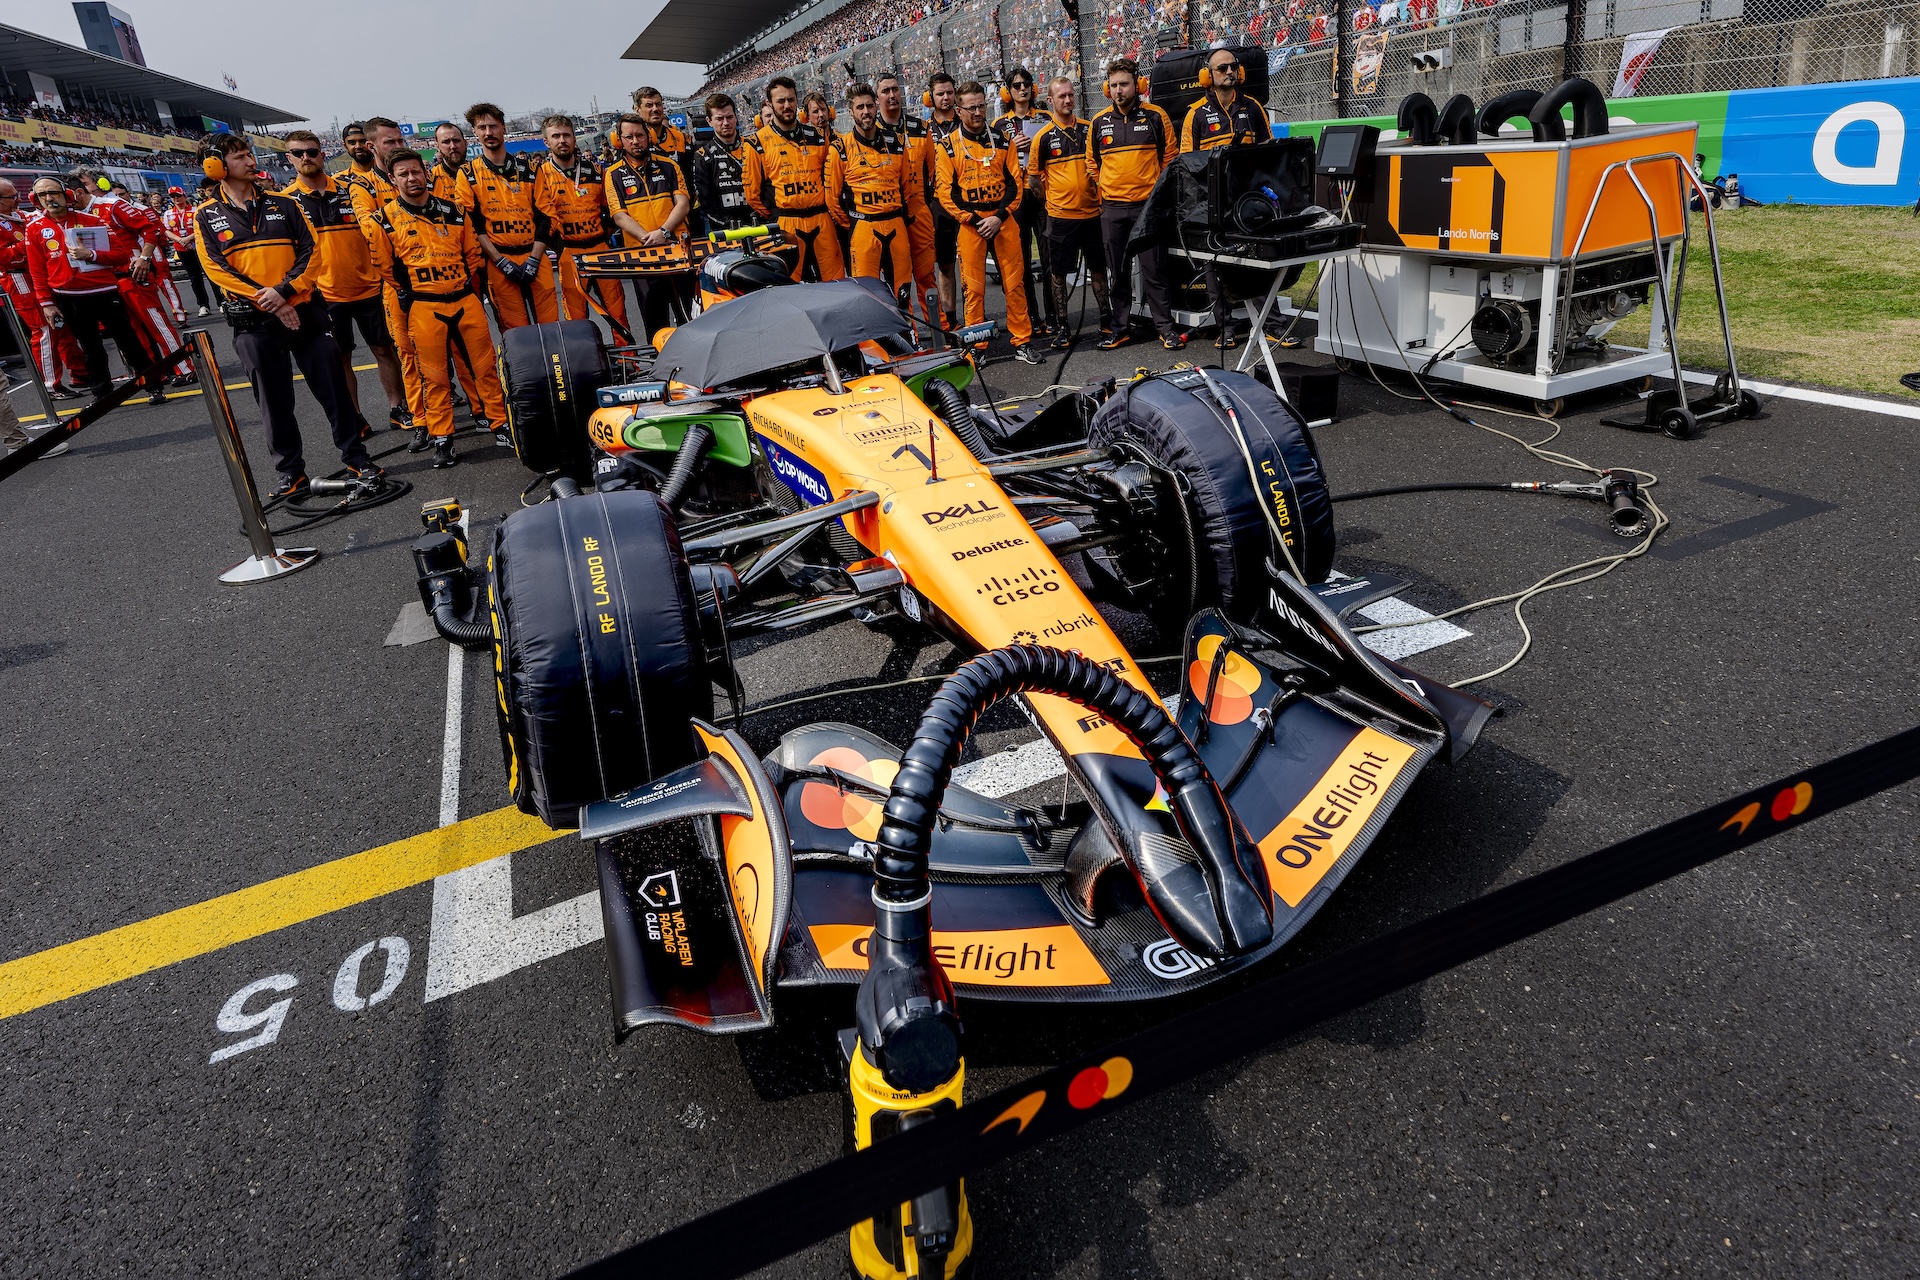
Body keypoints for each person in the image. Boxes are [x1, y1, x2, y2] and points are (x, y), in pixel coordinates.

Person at [191, 135, 378, 496]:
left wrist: (285, 293)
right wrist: (270, 301)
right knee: (273, 402)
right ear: (215, 166)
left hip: (304, 311)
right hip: (253, 323)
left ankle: (357, 458)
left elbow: (313, 253)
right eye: (240, 156)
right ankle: (290, 472)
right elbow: (216, 270)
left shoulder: (285, 203)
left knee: (334, 390)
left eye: (248, 154)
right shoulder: (204, 215)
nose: (250, 161)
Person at [364, 149, 507, 470]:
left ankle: (500, 423)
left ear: (425, 173)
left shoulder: (455, 211)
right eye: (403, 174)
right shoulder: (383, 220)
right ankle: (442, 436)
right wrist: (418, 289)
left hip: (463, 299)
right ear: (392, 179)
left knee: (485, 367)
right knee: (435, 378)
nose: (412, 178)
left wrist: (453, 282)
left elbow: (472, 254)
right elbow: (384, 266)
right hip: (423, 307)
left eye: (416, 172)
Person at [279, 128, 408, 440]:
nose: (306, 157)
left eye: (312, 151)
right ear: (289, 159)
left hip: (369, 287)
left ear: (323, 153)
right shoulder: (285, 202)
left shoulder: (351, 189)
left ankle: (398, 408)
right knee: (341, 359)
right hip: (324, 295)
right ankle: (355, 417)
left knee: (385, 350)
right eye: (299, 153)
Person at [21, 177, 166, 405]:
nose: (49, 198)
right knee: (90, 348)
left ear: (66, 194)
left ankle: (153, 385)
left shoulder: (93, 220)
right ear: (36, 199)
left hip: (104, 291)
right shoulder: (34, 228)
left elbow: (120, 255)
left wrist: (92, 255)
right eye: (42, 195)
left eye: (53, 192)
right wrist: (46, 304)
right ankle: (102, 394)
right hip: (68, 297)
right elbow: (37, 270)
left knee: (129, 341)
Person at [936, 82, 1042, 364]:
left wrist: (998, 217)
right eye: (971, 108)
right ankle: (977, 347)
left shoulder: (1002, 139)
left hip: (1002, 220)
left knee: (1015, 283)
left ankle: (1022, 341)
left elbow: (1015, 184)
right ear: (958, 110)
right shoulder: (947, 147)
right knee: (973, 288)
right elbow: (946, 193)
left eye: (981, 106)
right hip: (971, 224)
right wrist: (973, 219)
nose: (977, 112)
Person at [1179, 46, 1275, 349]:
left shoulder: (1253, 107)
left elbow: (1267, 151)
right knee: (1214, 266)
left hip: (1247, 202)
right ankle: (1226, 327)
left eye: (1233, 67)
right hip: (1212, 204)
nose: (1230, 72)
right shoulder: (1195, 115)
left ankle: (1273, 325)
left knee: (1258, 262)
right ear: (1208, 75)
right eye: (1222, 68)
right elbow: (1186, 164)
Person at [1088, 58, 1181, 350]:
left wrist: (1157, 195)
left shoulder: (1156, 116)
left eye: (1124, 84)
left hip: (1147, 209)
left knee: (1156, 270)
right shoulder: (1099, 122)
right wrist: (1105, 185)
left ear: (1138, 85)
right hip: (1112, 208)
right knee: (1119, 273)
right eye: (1114, 85)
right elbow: (1092, 162)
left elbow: (1170, 160)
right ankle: (1120, 328)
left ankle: (1165, 328)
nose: (1118, 90)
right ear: (1107, 88)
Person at [69, 170, 191, 389]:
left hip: (133, 274)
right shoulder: (76, 217)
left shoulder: (112, 205)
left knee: (155, 322)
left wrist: (144, 258)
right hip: (106, 281)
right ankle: (152, 373)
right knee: (130, 333)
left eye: (85, 184)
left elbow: (150, 229)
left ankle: (184, 367)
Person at [342, 117, 423, 435]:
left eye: (400, 141)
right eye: (390, 142)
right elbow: (370, 228)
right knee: (404, 350)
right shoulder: (357, 185)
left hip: (427, 274)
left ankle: (435, 405)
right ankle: (416, 416)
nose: (398, 147)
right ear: (371, 146)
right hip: (388, 280)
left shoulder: (411, 173)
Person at [456, 102, 558, 330]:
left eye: (493, 126)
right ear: (474, 132)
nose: (488, 133)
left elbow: (546, 216)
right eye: (482, 127)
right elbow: (472, 225)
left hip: (535, 257)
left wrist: (534, 259)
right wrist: (501, 262)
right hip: (499, 262)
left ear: (503, 128)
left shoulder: (531, 169)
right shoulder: (467, 173)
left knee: (552, 328)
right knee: (516, 334)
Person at [1029, 76, 1111, 349]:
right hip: (1061, 218)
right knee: (1058, 274)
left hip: (1092, 215)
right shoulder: (1041, 138)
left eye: (1070, 95)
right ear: (1050, 101)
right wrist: (1054, 201)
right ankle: (1062, 326)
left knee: (1099, 270)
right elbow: (1034, 180)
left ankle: (1106, 320)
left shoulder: (1090, 129)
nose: (1067, 100)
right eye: (1061, 96)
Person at [533, 114, 631, 336]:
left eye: (566, 135)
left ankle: (629, 362)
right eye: (555, 136)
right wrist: (559, 247)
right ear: (546, 142)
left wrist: (603, 235)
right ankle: (583, 366)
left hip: (600, 249)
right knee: (575, 321)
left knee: (618, 312)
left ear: (574, 138)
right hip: (568, 252)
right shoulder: (540, 175)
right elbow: (541, 218)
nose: (562, 140)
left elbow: (611, 209)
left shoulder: (596, 171)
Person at [742, 77, 845, 283]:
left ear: (797, 101)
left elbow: (832, 180)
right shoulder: (756, 142)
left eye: (791, 99)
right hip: (785, 223)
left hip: (821, 219)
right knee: (789, 287)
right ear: (770, 104)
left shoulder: (817, 136)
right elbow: (753, 195)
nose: (787, 105)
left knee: (837, 284)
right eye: (780, 101)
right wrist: (777, 214)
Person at [605, 113, 692, 344]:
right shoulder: (612, 174)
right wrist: (648, 238)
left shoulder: (669, 165)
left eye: (640, 135)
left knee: (690, 319)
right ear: (619, 140)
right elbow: (619, 216)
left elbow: (683, 204)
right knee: (655, 324)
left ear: (649, 136)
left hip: (677, 251)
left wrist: (663, 232)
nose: (636, 141)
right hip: (642, 256)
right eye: (629, 136)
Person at [0, 177, 90, 396]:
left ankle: (80, 374)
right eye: (12, 197)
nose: (18, 199)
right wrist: (29, 242)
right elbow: (4, 257)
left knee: (61, 325)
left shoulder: (21, 215)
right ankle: (51, 386)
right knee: (44, 331)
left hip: (40, 276)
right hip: (19, 279)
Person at [827, 84, 912, 303]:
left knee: (902, 293)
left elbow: (908, 188)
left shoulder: (897, 142)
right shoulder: (840, 148)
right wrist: (854, 224)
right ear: (851, 112)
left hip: (895, 225)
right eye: (860, 107)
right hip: (863, 229)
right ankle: (874, 340)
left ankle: (908, 335)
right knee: (867, 296)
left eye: (870, 106)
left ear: (876, 106)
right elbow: (832, 199)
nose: (866, 111)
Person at [875, 72, 940, 325]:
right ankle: (909, 336)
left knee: (926, 277)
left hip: (918, 212)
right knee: (898, 284)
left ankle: (938, 333)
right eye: (885, 91)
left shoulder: (919, 128)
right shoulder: (872, 133)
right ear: (878, 97)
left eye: (895, 89)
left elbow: (933, 173)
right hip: (889, 218)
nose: (892, 95)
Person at [991, 67, 1053, 336]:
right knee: (1021, 260)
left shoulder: (1045, 119)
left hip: (1041, 191)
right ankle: (1031, 316)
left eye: (1027, 84)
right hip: (1016, 197)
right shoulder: (998, 126)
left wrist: (1036, 145)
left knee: (1050, 257)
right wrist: (1014, 146)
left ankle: (1054, 316)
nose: (1023, 89)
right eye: (1016, 85)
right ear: (1008, 92)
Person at [925, 72, 963, 324]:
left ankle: (975, 316)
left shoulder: (968, 121)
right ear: (931, 97)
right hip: (939, 204)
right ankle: (950, 318)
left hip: (969, 199)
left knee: (973, 265)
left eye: (950, 92)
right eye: (940, 93)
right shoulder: (922, 129)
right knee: (946, 265)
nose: (946, 98)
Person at [692, 92, 755, 234]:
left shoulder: (754, 146)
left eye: (729, 117)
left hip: (758, 224)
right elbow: (706, 200)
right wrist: (727, 221)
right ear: (709, 121)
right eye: (719, 118)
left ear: (735, 116)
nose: (726, 123)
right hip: (724, 231)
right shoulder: (702, 156)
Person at [162, 187, 212, 315]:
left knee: (210, 274)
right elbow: (167, 231)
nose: (176, 199)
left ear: (184, 195)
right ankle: (203, 305)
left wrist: (189, 238)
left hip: (200, 246)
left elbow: (202, 227)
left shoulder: (195, 210)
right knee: (194, 277)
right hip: (182, 248)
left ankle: (221, 302)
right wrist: (180, 240)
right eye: (173, 197)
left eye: (178, 196)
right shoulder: (168, 213)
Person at [430, 123, 468, 203]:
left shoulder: (481, 172)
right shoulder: (431, 179)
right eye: (446, 142)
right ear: (438, 147)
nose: (453, 146)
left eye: (456, 140)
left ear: (465, 143)